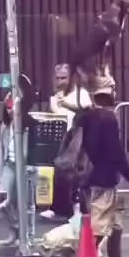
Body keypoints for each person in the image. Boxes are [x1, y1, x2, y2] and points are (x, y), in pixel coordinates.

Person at [63, 74, 129, 257]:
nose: (116, 91)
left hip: (95, 181)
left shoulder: (88, 117)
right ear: (108, 93)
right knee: (96, 236)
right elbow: (117, 154)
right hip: (104, 183)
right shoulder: (107, 119)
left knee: (115, 233)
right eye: (113, 88)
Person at [40, 64, 91, 221]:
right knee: (59, 171)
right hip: (62, 137)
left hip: (79, 135)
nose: (60, 81)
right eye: (57, 78)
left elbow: (86, 109)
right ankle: (59, 208)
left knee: (76, 173)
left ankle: (79, 208)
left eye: (64, 78)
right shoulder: (54, 97)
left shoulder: (81, 93)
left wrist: (66, 104)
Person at [0, 93, 37, 248]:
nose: (10, 110)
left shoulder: (28, 125)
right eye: (8, 107)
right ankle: (16, 227)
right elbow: (1, 151)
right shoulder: (5, 126)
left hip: (26, 166)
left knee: (26, 204)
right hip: (10, 164)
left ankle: (28, 235)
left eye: (13, 107)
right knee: (1, 198)